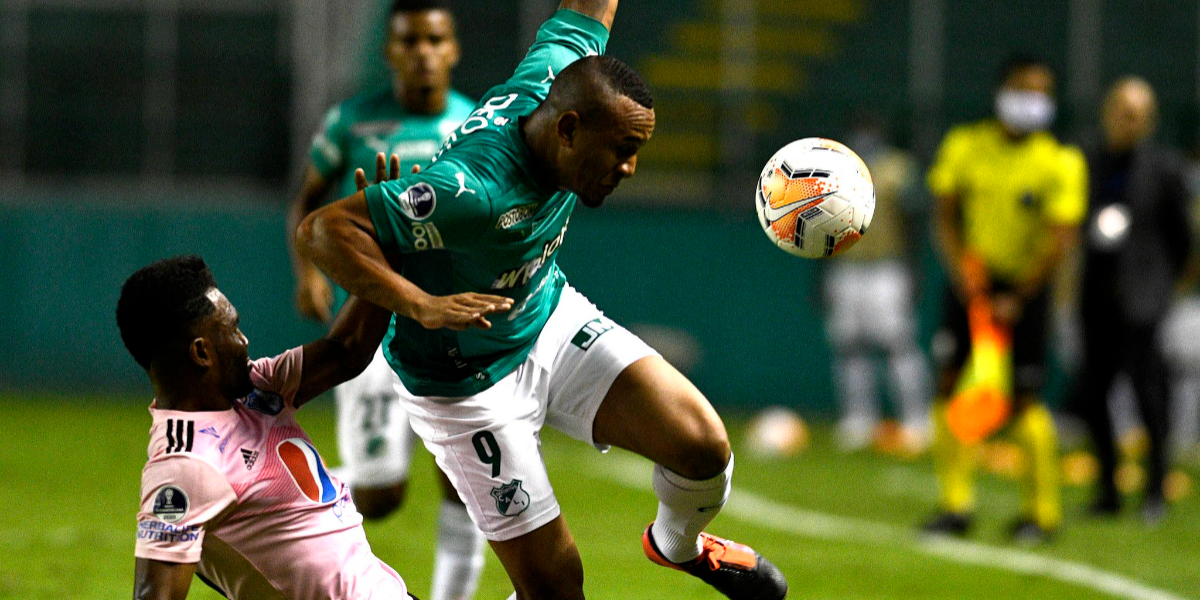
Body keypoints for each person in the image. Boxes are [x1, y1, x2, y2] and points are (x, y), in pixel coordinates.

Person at [296, 1, 788, 599]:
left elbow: (588, 7)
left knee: (703, 447)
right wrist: (419, 302)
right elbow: (323, 229)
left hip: (545, 316)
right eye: (621, 149)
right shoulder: (474, 191)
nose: (629, 167)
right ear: (568, 130)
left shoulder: (561, 66)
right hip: (462, 383)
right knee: (556, 589)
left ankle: (676, 546)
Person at [286, 1, 485, 598]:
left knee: (467, 482)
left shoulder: (476, 125)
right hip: (375, 324)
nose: (423, 53)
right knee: (380, 493)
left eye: (435, 40)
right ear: (390, 52)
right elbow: (308, 200)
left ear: (454, 49)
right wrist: (309, 272)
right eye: (410, 41)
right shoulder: (351, 122)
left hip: (454, 326)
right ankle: (271, 492)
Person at [120, 250, 415, 598]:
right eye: (232, 329)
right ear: (202, 353)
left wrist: (390, 249)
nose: (244, 341)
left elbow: (346, 350)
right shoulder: (186, 465)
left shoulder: (255, 387)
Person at [923, 55, 1087, 544]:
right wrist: (963, 273)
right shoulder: (965, 145)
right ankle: (956, 505)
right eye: (1022, 89)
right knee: (949, 385)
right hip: (972, 284)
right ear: (1001, 92)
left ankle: (1042, 513)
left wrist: (1019, 295)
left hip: (1026, 291)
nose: (1030, 100)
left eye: (1041, 92)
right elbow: (944, 214)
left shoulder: (1060, 162)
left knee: (1024, 400)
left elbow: (1060, 239)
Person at [1071, 77, 1192, 523]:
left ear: (1151, 121)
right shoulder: (1087, 162)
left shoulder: (1165, 169)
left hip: (1143, 300)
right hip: (1096, 294)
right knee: (1094, 393)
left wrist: (1164, 288)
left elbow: (1182, 238)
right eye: (1123, 112)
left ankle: (1155, 490)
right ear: (1107, 113)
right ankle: (1108, 489)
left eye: (1139, 115)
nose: (1130, 121)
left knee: (1149, 395)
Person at [825, 114, 932, 454]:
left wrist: (913, 269)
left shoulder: (898, 169)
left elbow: (914, 222)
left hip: (888, 267)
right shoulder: (834, 169)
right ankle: (858, 420)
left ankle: (916, 420)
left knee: (898, 344)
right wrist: (822, 275)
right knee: (849, 347)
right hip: (846, 266)